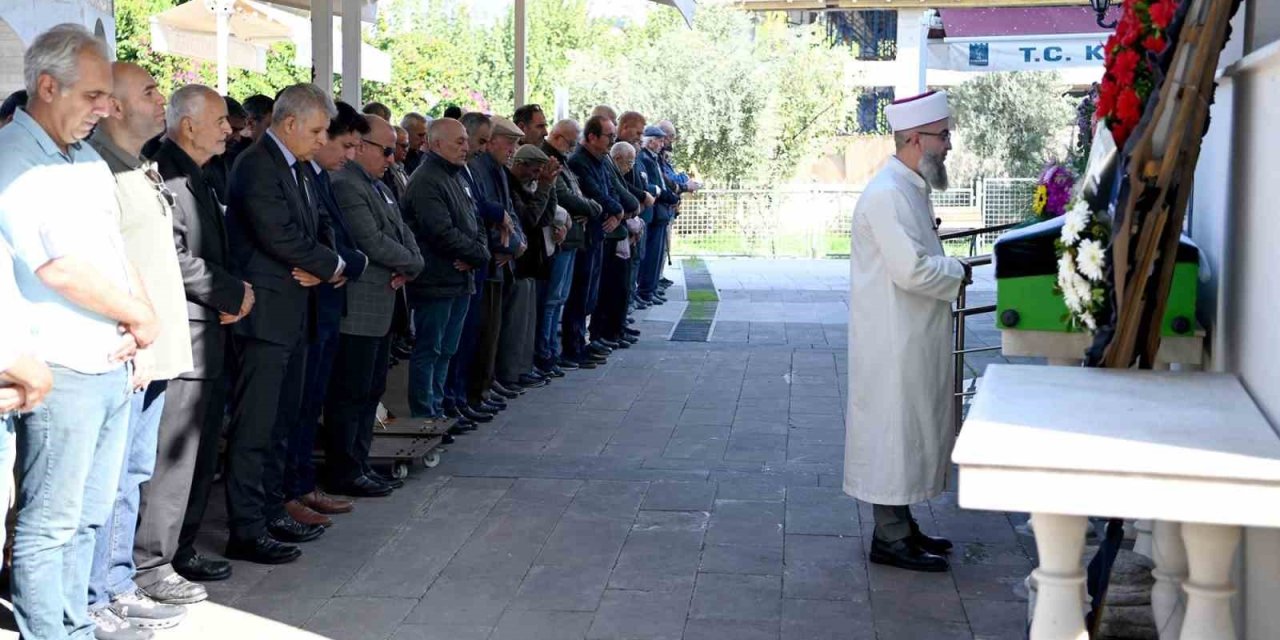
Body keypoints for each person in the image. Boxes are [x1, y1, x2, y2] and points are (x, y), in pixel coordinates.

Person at [0, 24, 160, 640]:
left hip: (112, 364)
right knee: (51, 524)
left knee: (90, 518)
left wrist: (142, 331)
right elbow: (58, 268)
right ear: (47, 86)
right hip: (60, 369)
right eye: (93, 94)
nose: (105, 107)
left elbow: (115, 253)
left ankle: (76, 625)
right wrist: (140, 317)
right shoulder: (16, 160)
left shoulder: (85, 157)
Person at [86, 61, 194, 637]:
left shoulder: (138, 166)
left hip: (157, 351)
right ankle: (95, 593)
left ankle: (118, 582)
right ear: (118, 108)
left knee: (132, 473)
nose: (162, 100)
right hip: (124, 354)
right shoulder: (99, 170)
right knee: (108, 480)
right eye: (150, 91)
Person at [844, 90, 971, 573]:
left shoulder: (907, 187)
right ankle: (889, 536)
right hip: (892, 341)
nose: (949, 145)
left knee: (908, 433)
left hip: (909, 334)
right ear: (915, 139)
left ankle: (902, 525)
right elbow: (912, 270)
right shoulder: (887, 194)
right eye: (943, 136)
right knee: (894, 436)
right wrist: (957, 271)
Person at [223, 82, 346, 565]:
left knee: (279, 423)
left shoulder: (295, 168)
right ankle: (246, 528)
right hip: (265, 318)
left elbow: (313, 228)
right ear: (289, 123)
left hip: (293, 313)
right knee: (255, 426)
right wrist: (332, 266)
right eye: (316, 130)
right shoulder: (257, 165)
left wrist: (323, 264)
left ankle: (271, 509)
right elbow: (281, 236)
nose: (322, 140)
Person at [139, 84, 247, 602]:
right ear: (189, 125)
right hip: (185, 336)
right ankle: (154, 562)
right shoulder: (166, 171)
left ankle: (179, 549)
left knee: (200, 455)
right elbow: (173, 255)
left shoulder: (197, 173)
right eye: (221, 120)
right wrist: (231, 290)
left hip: (208, 334)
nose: (230, 128)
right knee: (175, 460)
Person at [283, 101, 370, 526]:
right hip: (306, 306)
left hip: (326, 302)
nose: (347, 155)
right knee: (297, 407)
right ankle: (291, 491)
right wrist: (336, 264)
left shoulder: (319, 179)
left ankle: (302, 485)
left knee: (310, 401)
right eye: (343, 144)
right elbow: (310, 242)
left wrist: (342, 265)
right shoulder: (300, 176)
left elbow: (339, 243)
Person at [326, 114, 423, 496]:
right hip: (359, 308)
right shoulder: (347, 184)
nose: (392, 159)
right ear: (360, 147)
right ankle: (344, 469)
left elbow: (401, 233)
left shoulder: (376, 184)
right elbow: (370, 240)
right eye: (385, 150)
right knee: (351, 393)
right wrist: (412, 264)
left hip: (383, 303)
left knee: (370, 390)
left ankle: (359, 462)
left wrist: (413, 263)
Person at [401, 118, 490, 427]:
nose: (466, 147)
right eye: (459, 142)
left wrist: (478, 254)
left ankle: (439, 411)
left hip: (459, 278)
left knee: (447, 350)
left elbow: (475, 221)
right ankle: (425, 417)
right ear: (436, 144)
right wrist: (477, 254)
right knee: (430, 349)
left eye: (466, 140)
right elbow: (439, 231)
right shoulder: (426, 180)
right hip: (436, 279)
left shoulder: (457, 176)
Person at [445, 113, 506, 428]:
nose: (476, 148)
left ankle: (461, 399)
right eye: (472, 141)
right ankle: (452, 402)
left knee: (467, 339)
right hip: (456, 270)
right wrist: (477, 253)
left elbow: (477, 211)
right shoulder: (442, 175)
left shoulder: (463, 171)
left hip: (474, 265)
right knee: (450, 346)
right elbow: (444, 227)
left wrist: (481, 250)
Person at [537, 119, 598, 374]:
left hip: (572, 237)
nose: (573, 148)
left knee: (559, 298)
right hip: (561, 239)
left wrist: (587, 206)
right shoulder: (549, 160)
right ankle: (546, 352)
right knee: (552, 300)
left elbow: (578, 194)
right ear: (559, 138)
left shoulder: (562, 161)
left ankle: (551, 349)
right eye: (571, 143)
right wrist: (593, 208)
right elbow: (565, 197)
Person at [564, 115, 623, 369]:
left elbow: (610, 190)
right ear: (591, 137)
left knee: (589, 293)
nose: (613, 140)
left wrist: (618, 210)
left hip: (596, 234)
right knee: (578, 294)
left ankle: (583, 340)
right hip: (585, 236)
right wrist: (617, 211)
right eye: (609, 136)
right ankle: (573, 346)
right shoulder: (580, 162)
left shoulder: (600, 161)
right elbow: (596, 195)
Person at [500, 144, 558, 386]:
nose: (536, 177)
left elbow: (545, 216)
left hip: (532, 262)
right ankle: (511, 373)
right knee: (515, 324)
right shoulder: (511, 186)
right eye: (534, 172)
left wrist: (549, 187)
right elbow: (529, 219)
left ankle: (524, 368)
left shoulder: (529, 186)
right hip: (519, 264)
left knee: (526, 323)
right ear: (520, 165)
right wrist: (544, 186)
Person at [636, 126, 679, 305]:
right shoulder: (644, 158)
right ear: (651, 140)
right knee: (648, 256)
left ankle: (650, 289)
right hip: (651, 212)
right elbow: (653, 185)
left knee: (655, 255)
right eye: (660, 140)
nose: (663, 144)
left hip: (659, 213)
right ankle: (645, 291)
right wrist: (670, 195)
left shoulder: (652, 158)